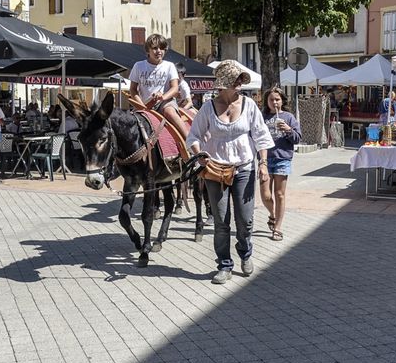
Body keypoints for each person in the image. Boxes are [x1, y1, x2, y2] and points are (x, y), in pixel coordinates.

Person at [186, 60, 274, 285]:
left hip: (244, 168)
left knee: (245, 220)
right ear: (223, 84)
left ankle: (245, 252)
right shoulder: (208, 108)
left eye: (240, 81)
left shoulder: (249, 105)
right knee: (221, 222)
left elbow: (261, 135)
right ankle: (224, 264)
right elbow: (194, 136)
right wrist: (201, 156)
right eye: (235, 82)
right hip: (216, 170)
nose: (239, 85)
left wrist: (263, 163)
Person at [129, 34, 191, 141]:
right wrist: (141, 105)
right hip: (144, 103)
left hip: (165, 102)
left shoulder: (169, 66)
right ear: (147, 50)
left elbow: (175, 88)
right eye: (155, 48)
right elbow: (133, 89)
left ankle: (190, 143)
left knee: (170, 112)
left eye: (162, 48)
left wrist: (163, 97)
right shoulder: (138, 66)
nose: (159, 51)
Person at [258, 87, 301, 242]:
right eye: (271, 99)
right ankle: (272, 214)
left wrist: (288, 130)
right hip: (265, 159)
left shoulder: (288, 117)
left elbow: (297, 138)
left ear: (282, 100)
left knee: (280, 194)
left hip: (283, 158)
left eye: (277, 99)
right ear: (266, 101)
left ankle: (277, 228)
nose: (274, 102)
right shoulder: (262, 117)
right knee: (265, 195)